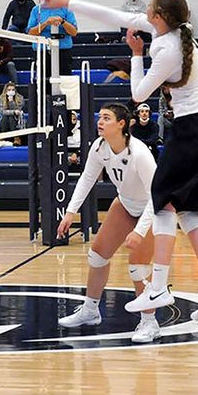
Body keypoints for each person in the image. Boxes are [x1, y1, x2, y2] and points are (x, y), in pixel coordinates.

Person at [45, 0, 198, 321]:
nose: (144, 9)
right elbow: (116, 16)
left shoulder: (168, 51)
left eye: (150, 6)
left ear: (158, 17)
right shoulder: (179, 31)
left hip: (194, 127)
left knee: (160, 199)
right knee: (187, 209)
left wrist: (135, 54)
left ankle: (159, 285)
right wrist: (67, 1)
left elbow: (138, 94)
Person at [56, 103, 159, 342]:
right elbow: (87, 178)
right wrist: (70, 212)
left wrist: (140, 231)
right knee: (98, 256)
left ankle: (149, 323)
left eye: (106, 118)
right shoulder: (99, 146)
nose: (100, 121)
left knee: (138, 267)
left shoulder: (139, 153)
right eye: (99, 117)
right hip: (125, 203)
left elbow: (158, 197)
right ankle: (90, 311)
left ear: (122, 124)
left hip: (153, 209)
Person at [26, 0, 78, 76]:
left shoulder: (66, 8)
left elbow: (74, 32)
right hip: (43, 52)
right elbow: (30, 33)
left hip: (63, 51)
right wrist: (45, 23)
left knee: (64, 82)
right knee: (44, 83)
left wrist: (62, 21)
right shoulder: (36, 10)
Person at [0, 82, 24, 146]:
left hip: (17, 120)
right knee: (6, 116)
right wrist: (13, 112)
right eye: (9, 90)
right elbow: (2, 111)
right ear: (5, 91)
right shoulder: (1, 98)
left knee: (11, 117)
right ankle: (2, 137)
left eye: (12, 90)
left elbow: (18, 111)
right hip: (5, 119)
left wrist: (11, 102)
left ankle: (16, 138)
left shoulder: (20, 98)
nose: (11, 91)